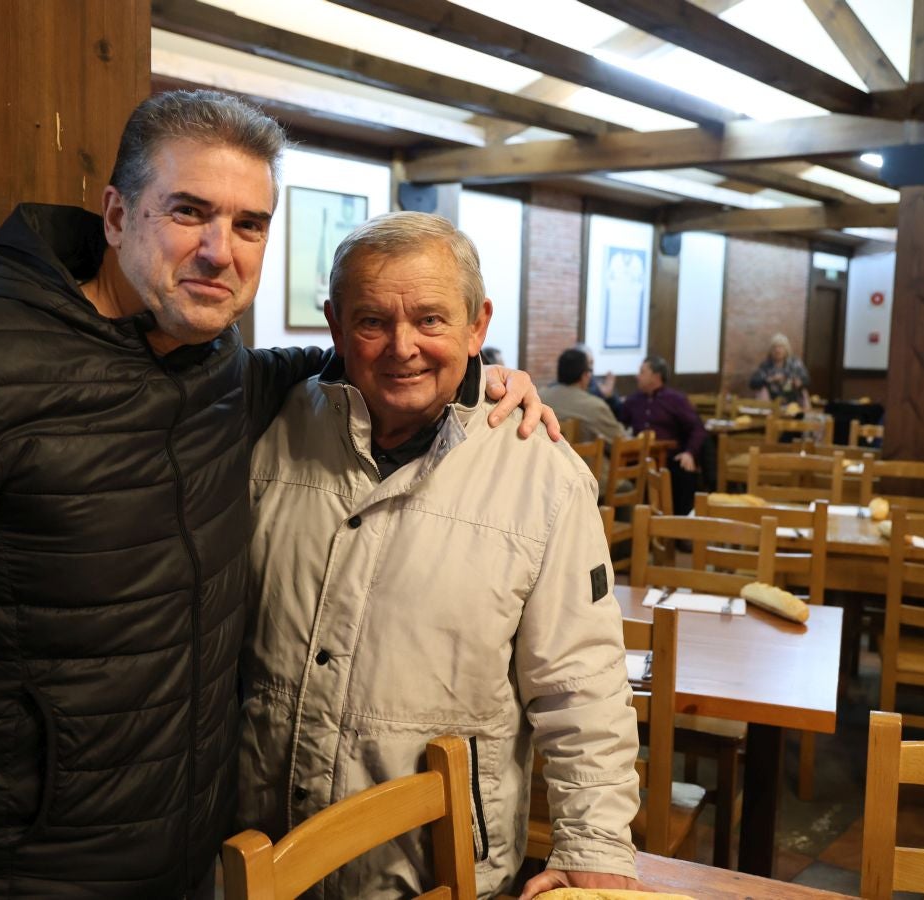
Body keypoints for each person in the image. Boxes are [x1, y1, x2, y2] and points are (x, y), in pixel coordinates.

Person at [0, 89, 551, 899]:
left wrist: (478, 378)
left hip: (186, 860)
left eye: (248, 225)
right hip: (11, 872)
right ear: (115, 214)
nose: (219, 250)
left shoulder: (217, 369)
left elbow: (345, 362)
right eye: (188, 211)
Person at [238, 212, 642, 899]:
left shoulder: (539, 473)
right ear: (334, 325)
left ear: (477, 325)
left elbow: (581, 683)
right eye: (372, 322)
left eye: (431, 320)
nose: (403, 348)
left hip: (439, 872)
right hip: (262, 855)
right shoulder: (272, 433)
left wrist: (595, 844)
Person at [619, 355, 706, 515]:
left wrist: (689, 453)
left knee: (684, 472)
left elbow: (697, 428)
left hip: (670, 457)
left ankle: (680, 530)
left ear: (656, 376)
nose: (637, 376)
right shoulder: (633, 400)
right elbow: (618, 424)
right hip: (638, 457)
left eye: (642, 372)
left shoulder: (676, 400)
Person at [544, 347, 630, 446]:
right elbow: (620, 438)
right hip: (583, 460)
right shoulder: (595, 406)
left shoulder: (539, 397)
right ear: (585, 375)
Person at [749, 332, 810, 408]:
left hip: (793, 400)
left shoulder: (795, 363)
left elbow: (807, 380)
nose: (777, 350)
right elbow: (752, 383)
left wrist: (798, 382)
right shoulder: (766, 365)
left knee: (804, 392)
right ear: (771, 350)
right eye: (774, 347)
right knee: (761, 391)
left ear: (786, 349)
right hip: (771, 402)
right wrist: (770, 379)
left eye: (781, 347)